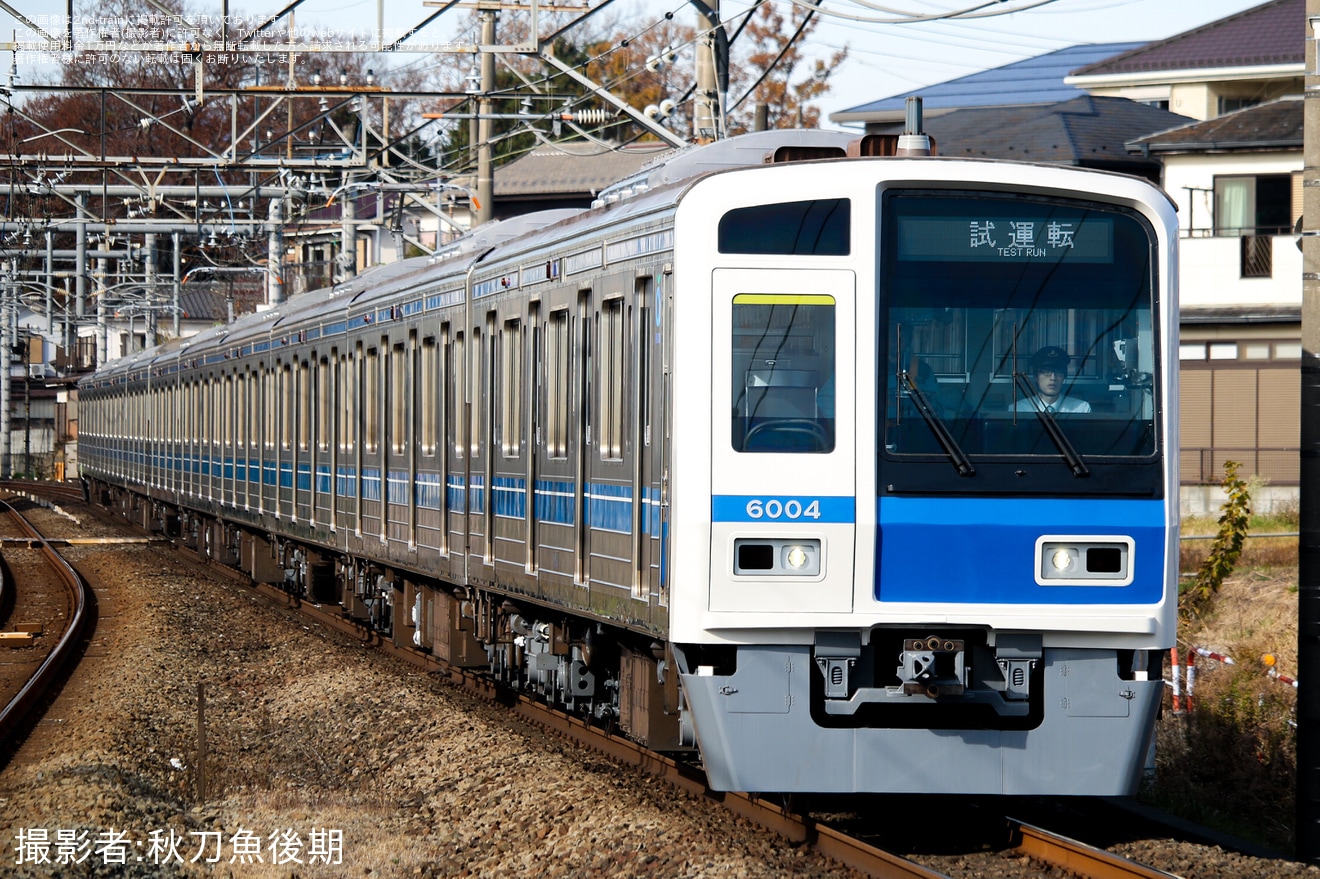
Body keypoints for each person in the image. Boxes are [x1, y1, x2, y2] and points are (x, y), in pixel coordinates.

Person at [1013, 346, 1091, 414]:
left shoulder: (1080, 409)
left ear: (1064, 377)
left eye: (1058, 372)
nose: (1053, 378)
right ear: (1036, 376)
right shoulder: (1019, 409)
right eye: (1046, 372)